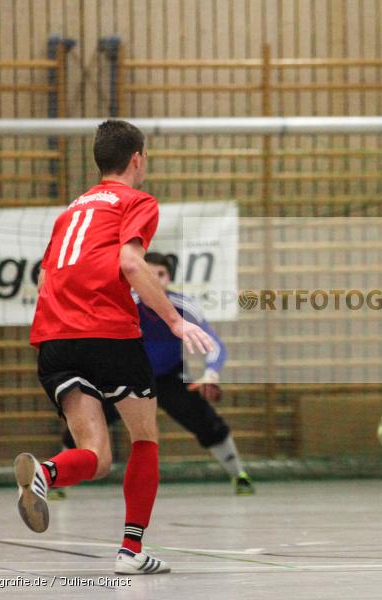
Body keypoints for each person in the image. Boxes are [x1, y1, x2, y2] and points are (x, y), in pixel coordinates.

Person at [16, 119, 214, 575]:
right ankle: (131, 550)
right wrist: (175, 322)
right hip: (110, 336)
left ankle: (46, 473)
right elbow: (130, 262)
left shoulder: (70, 212)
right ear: (137, 158)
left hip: (55, 339)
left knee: (97, 456)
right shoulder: (136, 201)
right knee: (144, 439)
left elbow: (46, 277)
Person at [51, 252, 254, 498]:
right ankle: (59, 481)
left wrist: (211, 373)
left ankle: (239, 476)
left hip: (169, 376)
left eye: (161, 274)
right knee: (88, 423)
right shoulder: (123, 303)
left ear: (169, 278)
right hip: (127, 376)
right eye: (150, 273)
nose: (155, 280)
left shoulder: (182, 306)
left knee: (207, 422)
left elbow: (213, 344)